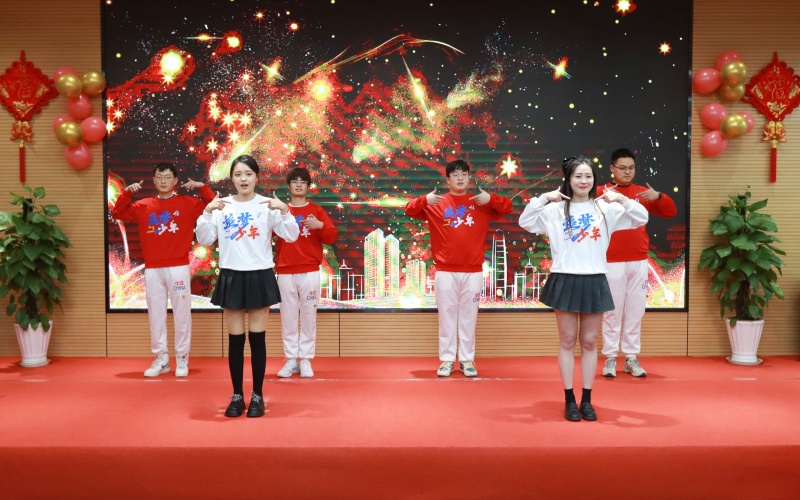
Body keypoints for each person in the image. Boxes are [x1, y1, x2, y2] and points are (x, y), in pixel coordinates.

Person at [519, 156, 648, 421]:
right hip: (565, 278)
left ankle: (587, 400)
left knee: (589, 341)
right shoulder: (555, 210)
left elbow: (640, 218)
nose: (583, 181)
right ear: (568, 179)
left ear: (594, 179)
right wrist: (543, 199)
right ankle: (569, 399)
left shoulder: (605, 208)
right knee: (567, 340)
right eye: (578, 176)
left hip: (594, 278)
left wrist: (622, 199)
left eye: (588, 176)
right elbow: (526, 221)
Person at [196, 155, 299, 418]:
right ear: (231, 178)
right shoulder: (222, 206)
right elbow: (205, 239)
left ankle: (257, 396)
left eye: (248, 174)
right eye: (238, 174)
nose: (243, 179)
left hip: (259, 275)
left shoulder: (267, 205)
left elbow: (291, 235)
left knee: (257, 339)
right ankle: (236, 395)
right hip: (231, 274)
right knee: (235, 341)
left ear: (257, 177)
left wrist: (285, 211)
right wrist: (207, 212)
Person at [405, 159, 513, 378]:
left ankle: (466, 359)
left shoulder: (480, 201)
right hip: (445, 271)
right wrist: (425, 199)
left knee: (468, 317)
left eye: (464, 174)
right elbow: (409, 209)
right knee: (446, 316)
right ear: (448, 180)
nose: (460, 178)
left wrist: (491, 199)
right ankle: (446, 360)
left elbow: (507, 207)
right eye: (455, 175)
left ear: (469, 178)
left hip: (473, 271)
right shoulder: (436, 203)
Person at [111, 162, 215, 378]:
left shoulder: (188, 203)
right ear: (154, 180)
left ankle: (182, 358)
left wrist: (202, 187)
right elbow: (118, 212)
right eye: (159, 177)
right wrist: (127, 193)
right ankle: (162, 359)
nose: (163, 181)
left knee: (182, 314)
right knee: (156, 315)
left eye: (168, 177)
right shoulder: (143, 206)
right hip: (153, 269)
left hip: (178, 267)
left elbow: (214, 205)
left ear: (175, 180)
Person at [597, 148, 677, 378]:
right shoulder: (601, 192)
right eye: (622, 168)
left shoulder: (642, 193)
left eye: (631, 168)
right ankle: (610, 358)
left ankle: (631, 358)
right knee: (612, 312)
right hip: (611, 261)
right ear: (612, 168)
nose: (627, 172)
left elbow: (670, 212)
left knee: (635, 311)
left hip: (639, 260)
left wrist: (659, 196)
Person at [274, 167, 338, 378]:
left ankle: (306, 360)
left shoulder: (317, 211)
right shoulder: (281, 210)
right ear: (289, 185)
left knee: (309, 315)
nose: (299, 185)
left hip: (310, 271)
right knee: (288, 316)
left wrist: (320, 225)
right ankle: (291, 360)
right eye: (295, 181)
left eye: (303, 182)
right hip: (285, 270)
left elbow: (331, 237)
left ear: (309, 186)